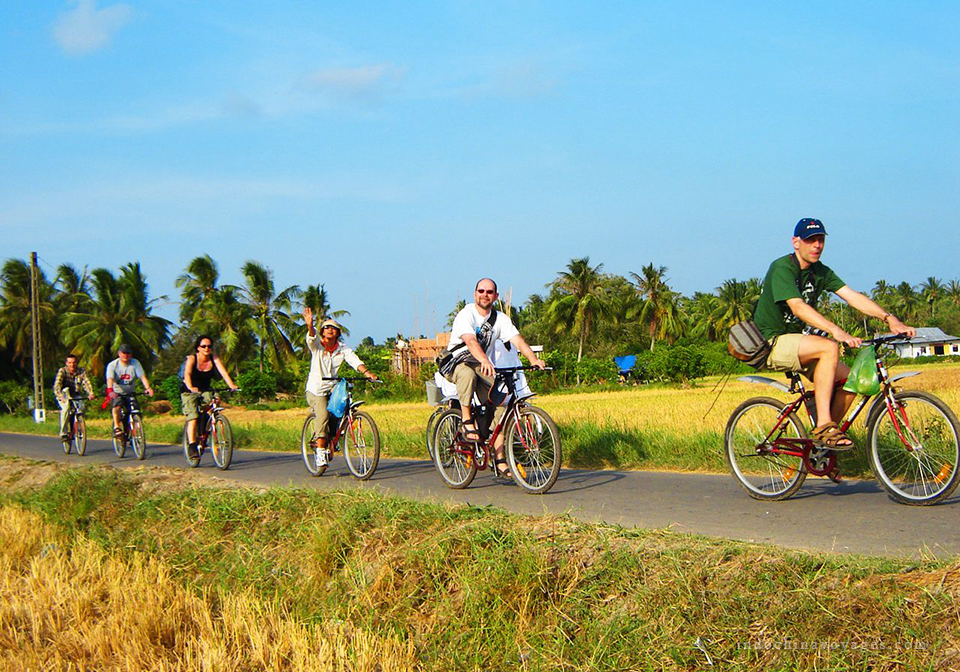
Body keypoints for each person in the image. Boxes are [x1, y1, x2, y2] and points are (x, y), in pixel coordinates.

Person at [753, 218, 915, 449]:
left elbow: (852, 296)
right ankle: (824, 425)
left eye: (820, 240)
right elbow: (798, 306)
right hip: (771, 341)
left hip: (798, 343)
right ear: (795, 242)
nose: (817, 245)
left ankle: (824, 440)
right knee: (828, 346)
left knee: (854, 381)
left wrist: (890, 319)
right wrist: (836, 331)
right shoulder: (782, 268)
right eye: (810, 240)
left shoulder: (820, 272)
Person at [443, 278, 546, 476]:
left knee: (503, 401)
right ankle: (466, 419)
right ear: (475, 294)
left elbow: (518, 340)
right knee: (467, 374)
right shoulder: (466, 315)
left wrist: (533, 359)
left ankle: (498, 457)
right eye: (481, 291)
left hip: (483, 365)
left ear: (496, 296)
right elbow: (471, 342)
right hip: (457, 363)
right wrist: (485, 360)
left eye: (489, 292)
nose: (485, 294)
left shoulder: (500, 319)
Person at [303, 308, 378, 462]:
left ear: (338, 333)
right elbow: (311, 337)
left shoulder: (342, 348)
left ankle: (334, 437)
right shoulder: (317, 345)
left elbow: (354, 360)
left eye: (334, 328)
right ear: (323, 332)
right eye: (327, 327)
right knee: (323, 415)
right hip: (316, 389)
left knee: (343, 409)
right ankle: (321, 450)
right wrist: (310, 325)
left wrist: (367, 373)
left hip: (333, 387)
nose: (330, 330)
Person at [181, 335, 239, 459]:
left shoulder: (214, 358)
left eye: (209, 346)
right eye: (203, 346)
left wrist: (231, 385)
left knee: (214, 402)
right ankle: (192, 446)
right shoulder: (192, 358)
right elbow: (188, 373)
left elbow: (224, 372)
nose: (207, 348)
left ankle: (204, 427)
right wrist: (191, 387)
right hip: (189, 390)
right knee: (193, 416)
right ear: (198, 348)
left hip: (205, 389)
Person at [105, 344, 154, 437]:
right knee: (117, 406)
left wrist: (148, 388)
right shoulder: (113, 365)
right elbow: (110, 379)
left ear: (131, 355)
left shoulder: (135, 363)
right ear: (119, 353)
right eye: (123, 353)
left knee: (136, 410)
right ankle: (116, 427)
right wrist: (110, 391)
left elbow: (142, 377)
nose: (126, 355)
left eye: (128, 353)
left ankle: (136, 432)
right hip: (117, 393)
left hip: (130, 393)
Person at [53, 353, 95, 439]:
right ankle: (63, 432)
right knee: (66, 408)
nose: (72, 365)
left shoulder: (81, 371)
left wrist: (90, 393)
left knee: (82, 407)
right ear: (66, 363)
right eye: (70, 362)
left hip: (76, 395)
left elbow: (86, 382)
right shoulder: (62, 371)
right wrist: (60, 396)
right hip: (64, 394)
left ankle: (77, 426)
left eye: (74, 362)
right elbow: (57, 385)